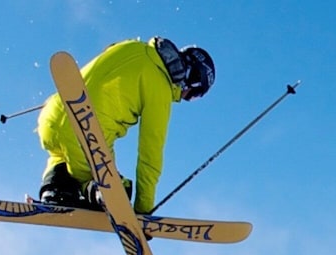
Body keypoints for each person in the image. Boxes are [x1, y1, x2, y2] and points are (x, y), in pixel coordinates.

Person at [36, 37, 215, 214]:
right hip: (86, 132)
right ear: (192, 79)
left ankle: (54, 190)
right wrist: (143, 210)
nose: (185, 98)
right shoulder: (161, 87)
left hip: (51, 117)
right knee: (119, 189)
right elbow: (150, 155)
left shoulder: (133, 45)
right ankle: (100, 194)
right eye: (194, 94)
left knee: (62, 158)